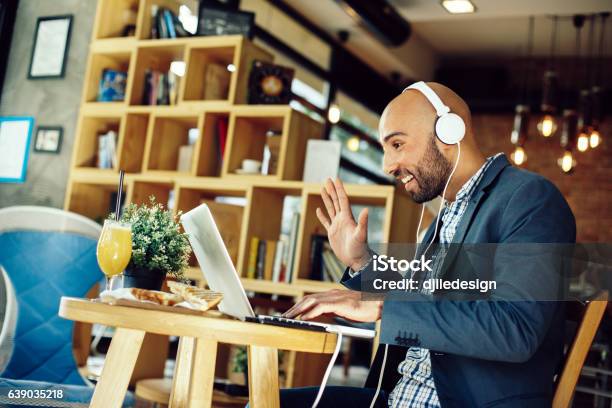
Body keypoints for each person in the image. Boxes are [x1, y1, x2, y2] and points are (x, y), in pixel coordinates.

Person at [281, 82, 576, 407]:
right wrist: (361, 259)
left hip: (462, 401)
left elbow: (515, 329)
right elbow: (416, 303)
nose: (388, 166)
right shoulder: (444, 218)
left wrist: (381, 305)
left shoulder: (528, 199)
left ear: (449, 132)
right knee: (265, 402)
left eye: (397, 144)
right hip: (397, 397)